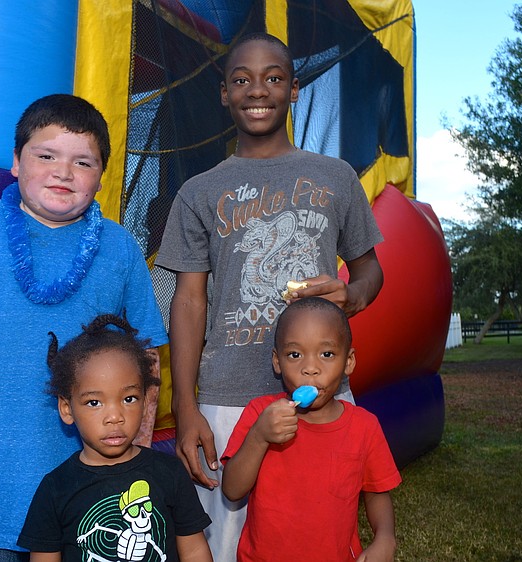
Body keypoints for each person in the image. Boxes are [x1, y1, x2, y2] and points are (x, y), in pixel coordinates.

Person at [0, 94, 168, 561]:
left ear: (100, 178)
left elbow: (147, 359)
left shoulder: (120, 249)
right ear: (16, 162)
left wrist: (133, 464)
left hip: (91, 505)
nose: (63, 172)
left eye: (82, 162)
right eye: (46, 156)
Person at [154, 32, 384, 560]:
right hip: (225, 398)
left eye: (274, 78)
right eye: (242, 80)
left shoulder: (336, 177)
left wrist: (350, 296)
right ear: (224, 93)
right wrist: (184, 406)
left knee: (316, 534)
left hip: (322, 397)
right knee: (220, 541)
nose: (258, 90)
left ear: (295, 89)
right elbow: (188, 303)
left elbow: (371, 272)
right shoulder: (199, 191)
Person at [18, 315, 212, 562]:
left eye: (128, 398)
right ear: (67, 409)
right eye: (94, 402)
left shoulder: (171, 472)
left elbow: (194, 550)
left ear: (145, 401)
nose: (114, 417)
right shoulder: (55, 489)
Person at [221, 297, 400, 562]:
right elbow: (232, 490)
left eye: (327, 354)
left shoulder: (365, 426)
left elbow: (376, 493)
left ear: (348, 362)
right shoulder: (261, 414)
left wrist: (385, 537)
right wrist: (259, 437)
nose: (310, 369)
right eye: (295, 355)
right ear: (277, 361)